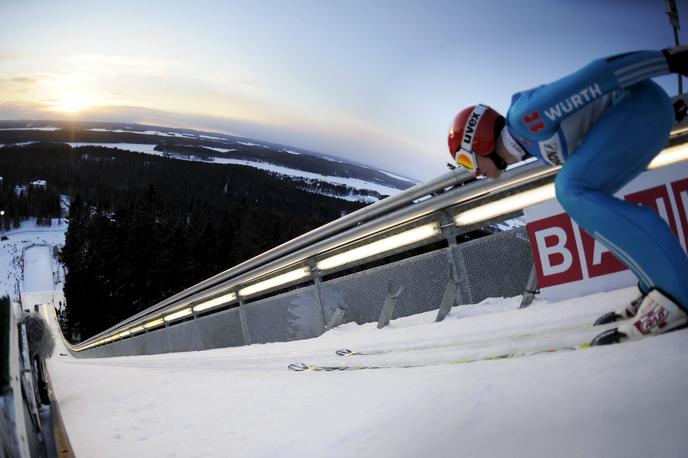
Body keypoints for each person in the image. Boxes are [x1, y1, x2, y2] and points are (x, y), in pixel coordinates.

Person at [447, 47, 688, 345]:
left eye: (468, 162)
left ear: (480, 141)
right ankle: (656, 283)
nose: (474, 173)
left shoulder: (524, 119)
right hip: (645, 112)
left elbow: (596, 76)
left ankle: (676, 293)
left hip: (642, 107)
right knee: (586, 196)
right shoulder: (529, 142)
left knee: (571, 188)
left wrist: (668, 60)